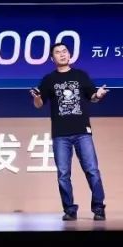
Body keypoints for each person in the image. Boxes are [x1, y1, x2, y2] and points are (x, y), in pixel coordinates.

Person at [30, 42, 109, 221]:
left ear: (69, 55)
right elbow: (39, 104)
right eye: (58, 52)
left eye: (64, 51)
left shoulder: (80, 75)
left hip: (82, 132)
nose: (62, 54)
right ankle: (69, 210)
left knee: (92, 170)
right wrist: (36, 98)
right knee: (63, 174)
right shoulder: (49, 79)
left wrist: (98, 95)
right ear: (52, 58)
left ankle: (98, 208)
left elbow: (92, 97)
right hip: (60, 134)